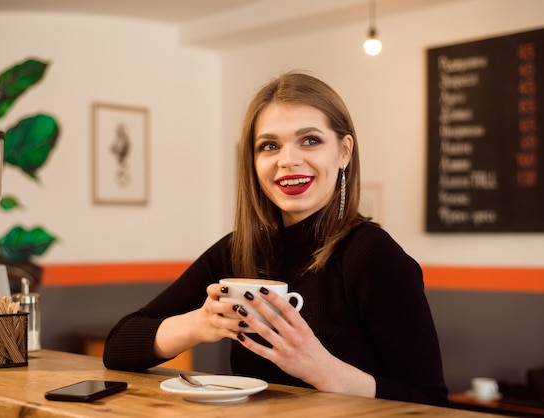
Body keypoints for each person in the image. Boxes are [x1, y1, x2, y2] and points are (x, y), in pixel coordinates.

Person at [103, 71, 448, 406]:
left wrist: (323, 370)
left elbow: (433, 403)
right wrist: (201, 322)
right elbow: (118, 346)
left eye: (310, 140)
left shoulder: (372, 254)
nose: (288, 160)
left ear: (344, 152)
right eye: (269, 146)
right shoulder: (237, 250)